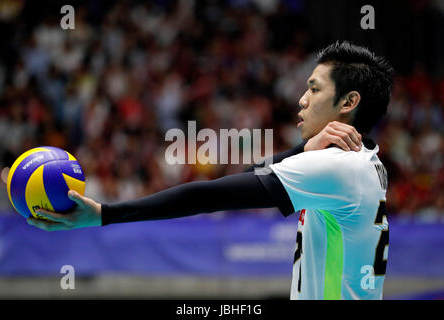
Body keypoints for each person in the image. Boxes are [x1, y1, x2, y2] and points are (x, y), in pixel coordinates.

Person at [27, 41, 394, 300]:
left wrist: (106, 215)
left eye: (314, 89)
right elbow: (257, 174)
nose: (302, 99)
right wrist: (302, 149)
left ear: (348, 102)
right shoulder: (366, 160)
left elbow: (210, 194)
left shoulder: (333, 166)